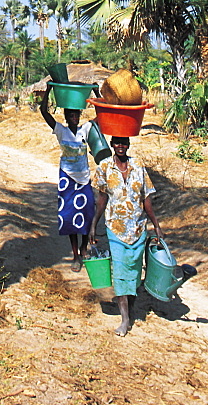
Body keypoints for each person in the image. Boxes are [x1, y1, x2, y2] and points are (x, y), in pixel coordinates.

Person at [88, 136, 162, 335]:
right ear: (112, 145)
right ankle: (125, 319)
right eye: (117, 143)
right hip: (116, 228)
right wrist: (94, 225)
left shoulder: (138, 166)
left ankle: (131, 309)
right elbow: (101, 200)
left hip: (138, 228)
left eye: (124, 143)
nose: (121, 146)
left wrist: (156, 225)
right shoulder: (104, 167)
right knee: (120, 272)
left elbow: (146, 200)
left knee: (134, 273)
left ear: (128, 145)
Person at [40, 85, 96, 272]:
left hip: (84, 179)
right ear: (66, 117)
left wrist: (96, 94)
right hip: (67, 179)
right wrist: (48, 91)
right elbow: (43, 111)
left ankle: (83, 248)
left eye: (76, 115)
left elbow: (103, 115)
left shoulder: (85, 130)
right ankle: (75, 255)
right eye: (71, 116)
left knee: (87, 216)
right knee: (70, 218)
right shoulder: (61, 131)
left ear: (79, 116)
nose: (74, 118)